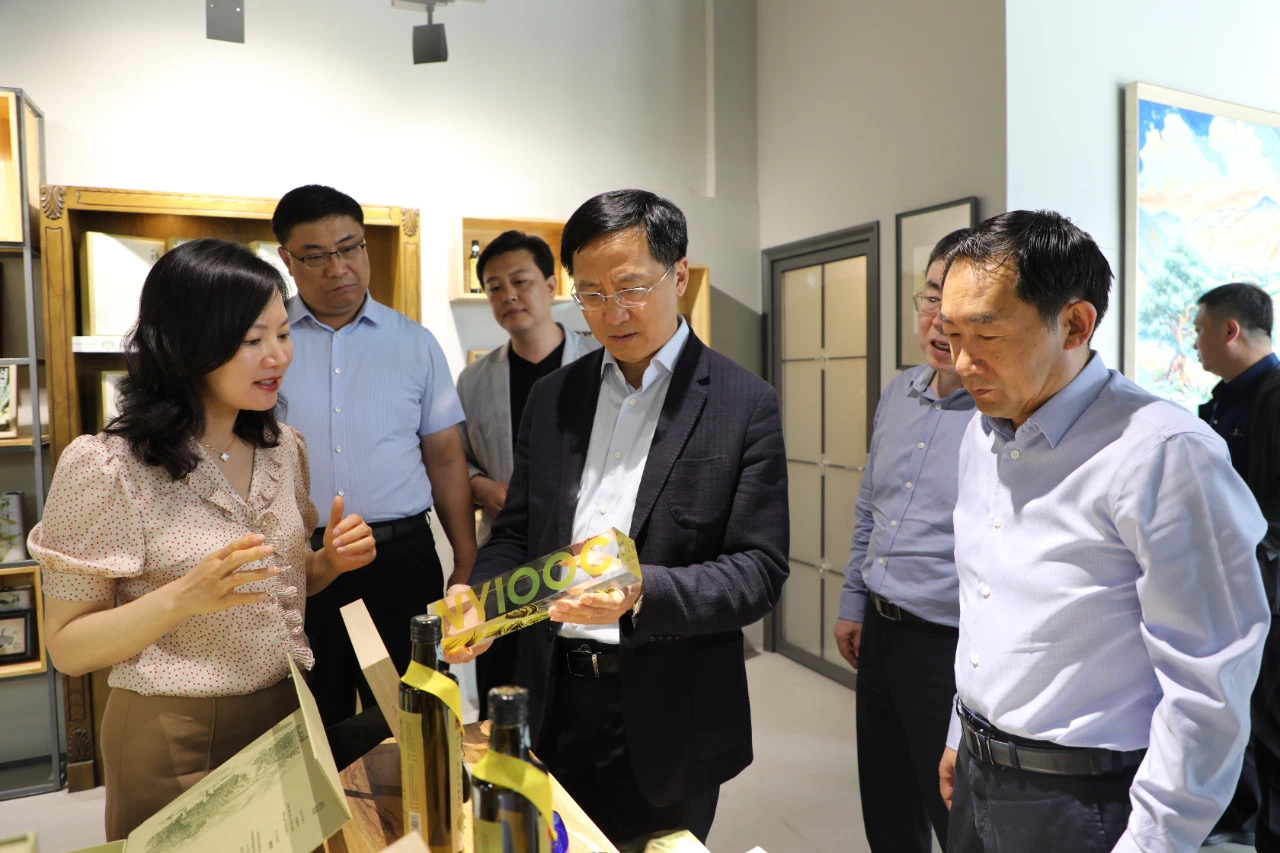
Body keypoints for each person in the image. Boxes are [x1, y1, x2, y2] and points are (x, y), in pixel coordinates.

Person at [445, 189, 789, 845]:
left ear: (679, 275)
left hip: (669, 706)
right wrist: (481, 597)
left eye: (631, 287)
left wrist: (643, 592)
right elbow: (516, 529)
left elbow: (759, 569)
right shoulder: (553, 397)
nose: (613, 312)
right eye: (592, 294)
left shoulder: (743, 402)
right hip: (550, 694)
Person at [936, 210, 1270, 853]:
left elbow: (1209, 682)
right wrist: (962, 733)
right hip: (980, 773)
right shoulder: (980, 435)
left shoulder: (1163, 452)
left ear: (1075, 324)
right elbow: (983, 602)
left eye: (986, 334)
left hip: (1087, 797)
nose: (963, 362)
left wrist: (1152, 842)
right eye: (951, 334)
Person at [27, 239, 375, 839]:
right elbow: (68, 648)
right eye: (252, 340)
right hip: (175, 735)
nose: (278, 356)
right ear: (187, 344)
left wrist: (326, 563)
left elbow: (274, 589)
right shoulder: (109, 466)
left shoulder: (282, 449)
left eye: (282, 333)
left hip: (289, 710)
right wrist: (182, 598)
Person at [272, 185, 475, 727]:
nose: (337, 267)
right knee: (316, 721)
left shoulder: (415, 343)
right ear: (286, 259)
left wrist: (465, 557)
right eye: (315, 255)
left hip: (400, 557)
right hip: (299, 560)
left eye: (349, 248)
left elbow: (445, 457)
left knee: (419, 712)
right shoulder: (267, 344)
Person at [834, 228, 973, 852]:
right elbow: (871, 506)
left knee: (954, 814)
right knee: (887, 807)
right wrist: (852, 603)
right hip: (881, 631)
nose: (939, 320)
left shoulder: (1001, 415)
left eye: (958, 304)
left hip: (948, 644)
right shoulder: (899, 393)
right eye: (932, 298)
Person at [456, 229, 599, 720]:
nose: (508, 296)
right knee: (502, 693)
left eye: (520, 281)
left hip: (582, 553)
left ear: (552, 285)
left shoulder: (599, 364)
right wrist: (480, 486)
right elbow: (460, 459)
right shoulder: (474, 379)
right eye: (494, 287)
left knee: (572, 696)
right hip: (506, 551)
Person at [1194, 282, 1280, 848]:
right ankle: (1237, 816)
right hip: (1226, 581)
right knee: (1234, 707)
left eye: (1201, 331)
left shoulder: (1273, 396)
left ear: (1231, 331)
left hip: (1265, 586)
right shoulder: (1223, 400)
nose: (1195, 344)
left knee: (1268, 717)